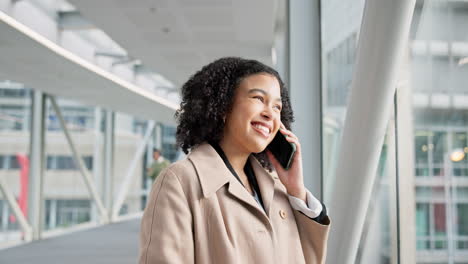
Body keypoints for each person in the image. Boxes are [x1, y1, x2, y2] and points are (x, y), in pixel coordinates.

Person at [139, 57, 331, 264]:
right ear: (223, 107)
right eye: (259, 98)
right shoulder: (180, 181)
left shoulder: (277, 186)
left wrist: (297, 191)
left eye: (277, 107)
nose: (270, 114)